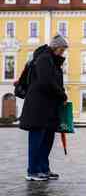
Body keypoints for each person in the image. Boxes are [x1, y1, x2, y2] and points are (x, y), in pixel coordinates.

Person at [19, 34, 68, 181]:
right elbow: (46, 81)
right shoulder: (44, 59)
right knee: (37, 140)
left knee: (47, 140)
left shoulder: (53, 61)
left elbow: (55, 82)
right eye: (61, 49)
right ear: (55, 47)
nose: (62, 52)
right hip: (38, 107)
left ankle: (43, 169)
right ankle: (32, 171)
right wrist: (62, 95)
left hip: (49, 107)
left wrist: (61, 95)